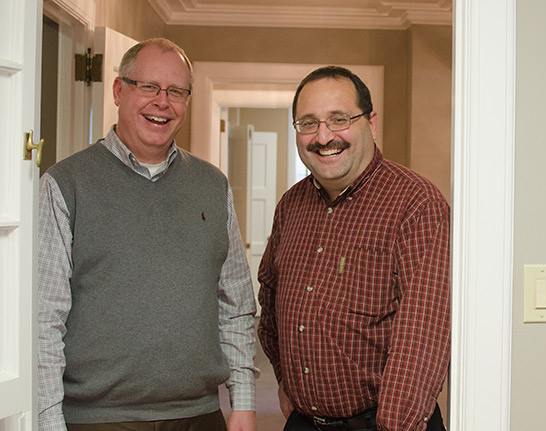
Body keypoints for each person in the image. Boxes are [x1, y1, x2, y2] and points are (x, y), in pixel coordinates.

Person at [38, 38, 258, 431]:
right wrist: (47, 419)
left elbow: (236, 302)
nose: (163, 102)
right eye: (149, 87)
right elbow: (44, 317)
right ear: (119, 91)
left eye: (176, 91)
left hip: (199, 416)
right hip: (97, 420)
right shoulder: (65, 184)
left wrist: (243, 401)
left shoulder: (212, 185)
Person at [257, 66, 451, 431]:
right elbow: (270, 299)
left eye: (339, 119)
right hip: (303, 422)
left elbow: (423, 335)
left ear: (371, 123)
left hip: (384, 424)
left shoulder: (416, 203)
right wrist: (288, 382)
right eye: (308, 123)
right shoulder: (291, 205)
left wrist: (394, 425)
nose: (323, 136)